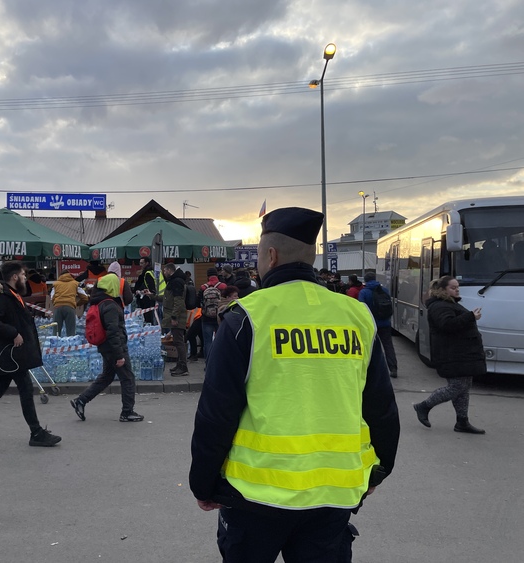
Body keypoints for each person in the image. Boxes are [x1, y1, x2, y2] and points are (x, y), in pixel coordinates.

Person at [190, 207, 400, 563]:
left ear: (270, 256)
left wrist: (204, 483)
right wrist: (380, 469)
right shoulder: (355, 316)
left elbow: (217, 412)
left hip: (255, 496)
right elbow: (380, 404)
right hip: (334, 494)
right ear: (313, 255)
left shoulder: (247, 317)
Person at [0, 261, 61, 447]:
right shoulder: (2, 297)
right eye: (23, 275)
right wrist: (13, 333)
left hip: (12, 355)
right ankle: (36, 432)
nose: (25, 278)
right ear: (15, 277)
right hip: (10, 355)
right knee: (25, 389)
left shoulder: (12, 295)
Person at [413, 276, 486, 434]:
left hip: (460, 353)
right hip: (453, 354)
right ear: (443, 290)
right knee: (457, 387)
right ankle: (423, 406)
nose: (457, 290)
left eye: (458, 287)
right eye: (453, 287)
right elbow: (447, 325)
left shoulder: (447, 304)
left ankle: (462, 422)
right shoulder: (440, 306)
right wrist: (470, 317)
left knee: (464, 387)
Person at [69, 274, 143, 423]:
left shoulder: (99, 302)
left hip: (106, 347)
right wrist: (119, 355)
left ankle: (81, 401)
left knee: (107, 376)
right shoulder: (109, 305)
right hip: (114, 347)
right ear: (112, 287)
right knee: (128, 378)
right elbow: (113, 331)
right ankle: (127, 412)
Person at [358, 271, 398, 378]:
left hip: (371, 324)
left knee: (370, 347)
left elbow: (361, 309)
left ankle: (371, 371)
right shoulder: (384, 290)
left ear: (365, 280)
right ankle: (393, 367)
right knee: (388, 345)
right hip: (385, 323)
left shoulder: (364, 292)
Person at [160, 263, 189, 377]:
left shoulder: (176, 281)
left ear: (169, 270)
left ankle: (183, 367)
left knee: (178, 341)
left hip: (177, 316)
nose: (164, 272)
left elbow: (178, 301)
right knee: (177, 341)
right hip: (176, 315)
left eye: (165, 270)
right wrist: (152, 296)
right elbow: (168, 298)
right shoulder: (176, 280)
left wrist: (174, 317)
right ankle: (179, 365)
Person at [198, 267, 227, 362]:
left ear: (207, 276)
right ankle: (221, 361)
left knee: (207, 342)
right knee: (221, 340)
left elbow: (199, 302)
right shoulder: (223, 286)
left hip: (206, 318)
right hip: (220, 317)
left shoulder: (203, 287)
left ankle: (209, 363)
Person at [50, 271, 88, 337]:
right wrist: (76, 304)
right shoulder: (75, 283)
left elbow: (52, 297)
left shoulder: (55, 284)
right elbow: (85, 298)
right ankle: (70, 346)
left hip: (57, 307)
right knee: (71, 333)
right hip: (70, 308)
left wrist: (57, 303)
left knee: (56, 333)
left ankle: (55, 346)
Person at [133, 257, 157, 324]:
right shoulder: (149, 272)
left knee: (148, 318)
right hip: (149, 298)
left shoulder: (147, 273)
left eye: (142, 263)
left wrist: (140, 291)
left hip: (147, 299)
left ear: (147, 263)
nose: (140, 265)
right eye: (140, 263)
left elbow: (147, 286)